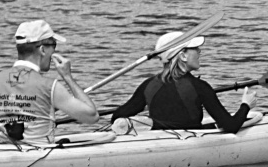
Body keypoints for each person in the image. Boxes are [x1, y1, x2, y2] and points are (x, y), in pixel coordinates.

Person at [0, 18, 100, 141]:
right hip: (36, 158)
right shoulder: (51, 87)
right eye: (53, 45)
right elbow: (92, 117)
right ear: (42, 50)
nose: (54, 51)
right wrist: (68, 77)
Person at [108, 32, 254, 133]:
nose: (199, 52)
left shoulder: (148, 85)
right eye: (195, 49)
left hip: (158, 139)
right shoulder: (199, 87)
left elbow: (116, 117)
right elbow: (230, 126)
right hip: (189, 144)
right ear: (183, 55)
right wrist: (246, 105)